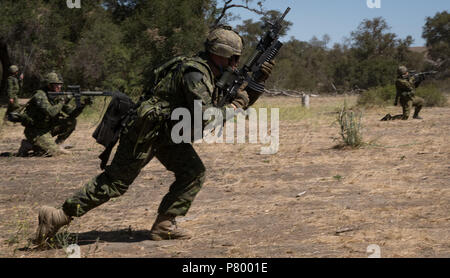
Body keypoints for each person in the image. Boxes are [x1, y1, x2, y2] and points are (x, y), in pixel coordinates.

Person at [33, 26, 275, 245]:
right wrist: (237, 105)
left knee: (193, 172)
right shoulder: (195, 73)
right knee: (114, 184)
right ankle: (57, 216)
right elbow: (207, 116)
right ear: (221, 53)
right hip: (146, 132)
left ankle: (164, 225)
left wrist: (253, 86)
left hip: (167, 133)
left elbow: (224, 100)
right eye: (234, 57)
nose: (236, 62)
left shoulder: (207, 71)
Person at [17, 72, 91, 157]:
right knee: (50, 153)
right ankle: (28, 145)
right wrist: (63, 101)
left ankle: (58, 144)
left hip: (48, 127)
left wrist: (82, 105)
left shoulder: (57, 96)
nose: (59, 87)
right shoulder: (40, 95)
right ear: (49, 85)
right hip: (36, 131)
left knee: (71, 121)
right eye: (56, 85)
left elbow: (71, 113)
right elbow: (51, 112)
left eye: (60, 85)